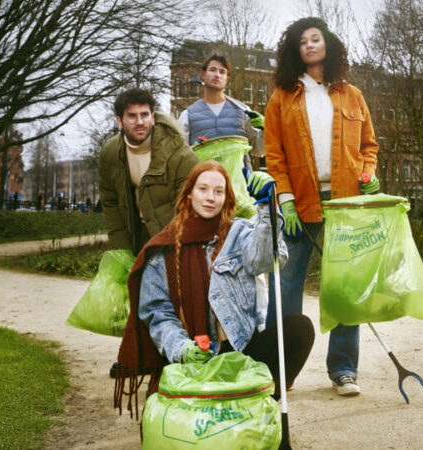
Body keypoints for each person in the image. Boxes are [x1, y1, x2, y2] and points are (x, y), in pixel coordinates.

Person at [114, 161, 315, 416]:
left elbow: (268, 259)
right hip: (195, 361)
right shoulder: (163, 250)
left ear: (227, 197)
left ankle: (254, 405)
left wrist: (268, 208)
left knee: (300, 329)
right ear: (189, 193)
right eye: (203, 189)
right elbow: (157, 313)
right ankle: (228, 409)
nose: (210, 198)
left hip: (241, 354)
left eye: (218, 191)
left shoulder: (239, 233)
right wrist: (182, 349)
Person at [264, 17, 380, 397]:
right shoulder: (282, 97)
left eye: (316, 39)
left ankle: (344, 369)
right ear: (294, 51)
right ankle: (278, 369)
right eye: (303, 41)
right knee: (286, 286)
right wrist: (285, 201)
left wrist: (369, 175)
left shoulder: (351, 94)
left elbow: (369, 147)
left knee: (345, 287)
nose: (310, 45)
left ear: (328, 44)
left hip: (345, 203)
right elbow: (274, 155)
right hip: (299, 204)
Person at [99, 88, 200, 255]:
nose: (140, 121)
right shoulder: (110, 154)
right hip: (135, 237)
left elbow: (188, 209)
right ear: (119, 121)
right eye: (132, 116)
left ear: (153, 118)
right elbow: (111, 204)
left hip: (173, 238)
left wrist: (171, 251)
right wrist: (121, 250)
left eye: (144, 115)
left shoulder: (181, 155)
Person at [179, 53, 265, 168]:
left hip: (239, 184)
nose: (217, 75)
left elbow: (259, 151)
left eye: (222, 72)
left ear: (227, 79)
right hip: (204, 183)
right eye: (213, 70)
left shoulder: (243, 111)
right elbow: (181, 157)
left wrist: (266, 130)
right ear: (203, 75)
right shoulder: (188, 115)